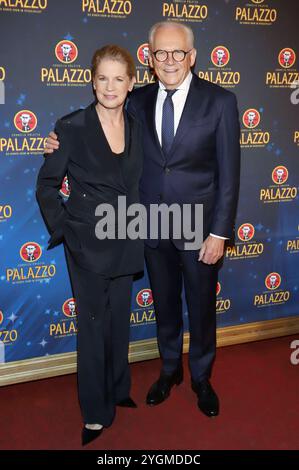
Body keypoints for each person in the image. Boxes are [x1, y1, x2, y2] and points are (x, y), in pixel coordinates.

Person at [44, 21, 240, 418]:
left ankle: (201, 377)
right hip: (149, 225)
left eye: (178, 52)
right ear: (149, 58)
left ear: (193, 57)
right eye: (161, 53)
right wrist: (56, 141)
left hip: (199, 228)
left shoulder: (220, 102)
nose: (169, 61)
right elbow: (100, 125)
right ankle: (170, 370)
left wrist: (220, 231)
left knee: (201, 307)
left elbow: (230, 174)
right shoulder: (136, 99)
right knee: (165, 305)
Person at [36, 45, 143, 446]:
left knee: (119, 321)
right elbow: (46, 186)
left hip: (128, 239)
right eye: (102, 78)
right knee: (93, 327)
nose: (110, 86)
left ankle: (118, 389)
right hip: (86, 246)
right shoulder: (71, 127)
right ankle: (96, 412)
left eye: (119, 78)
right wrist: (66, 228)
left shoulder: (138, 126)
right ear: (91, 81)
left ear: (131, 83)